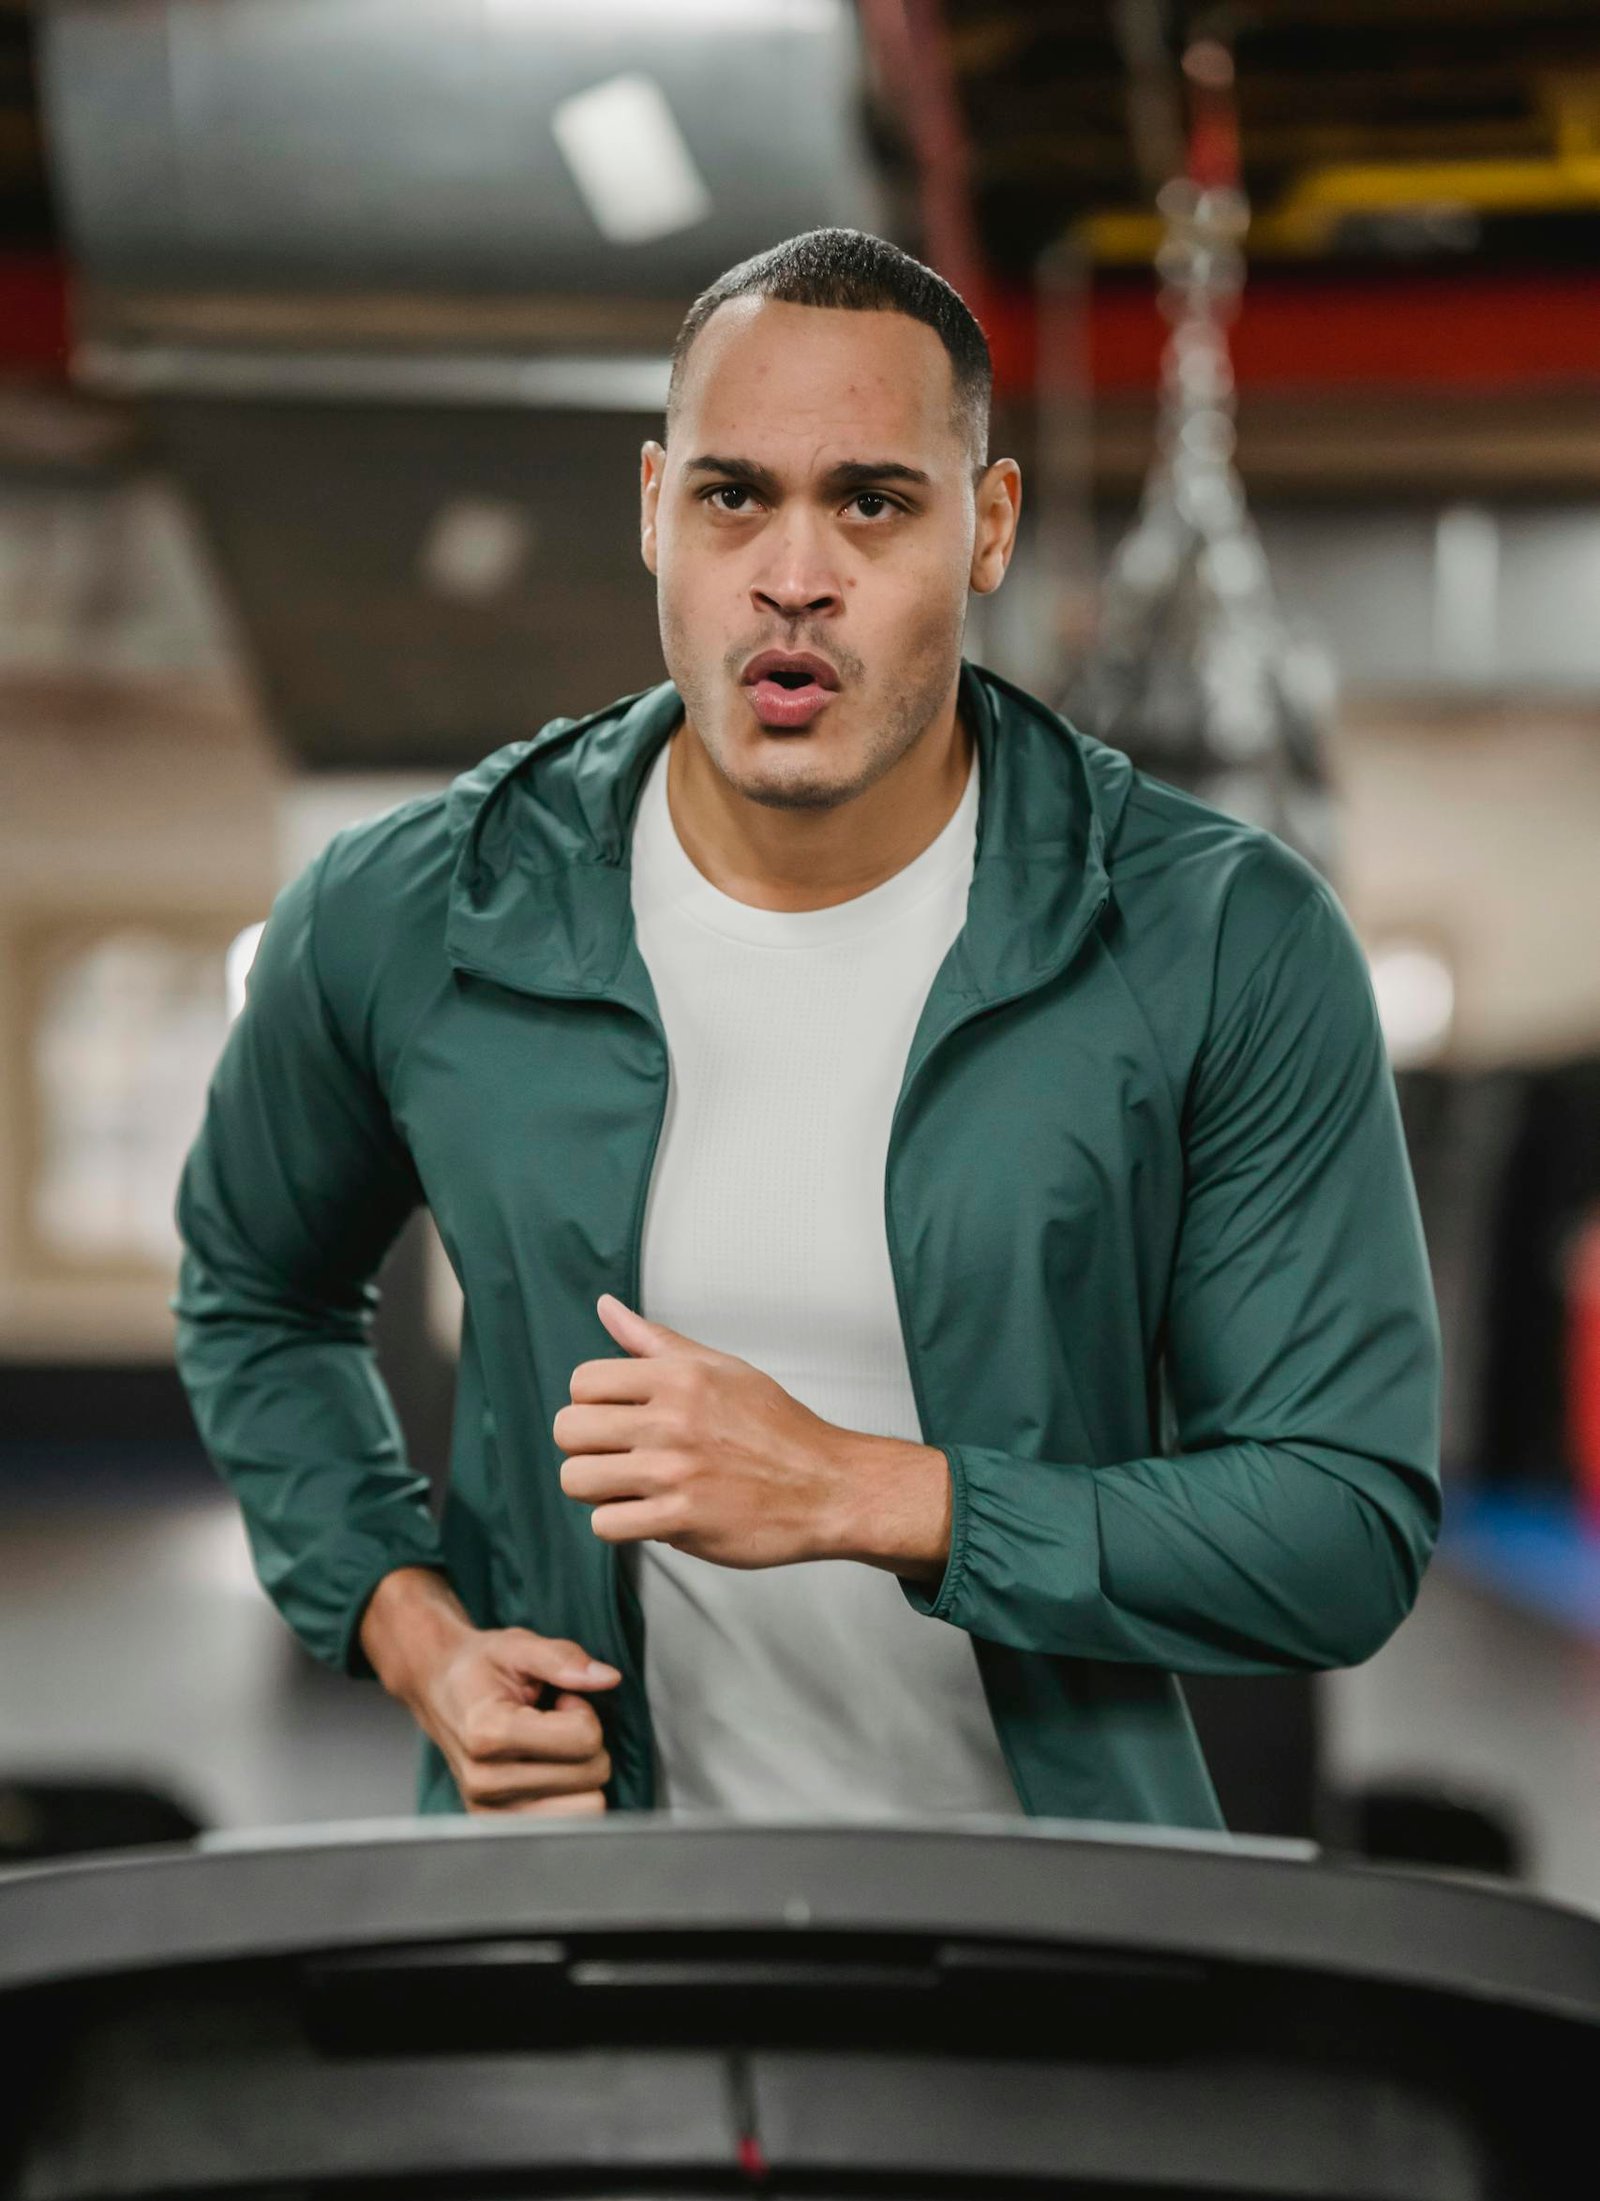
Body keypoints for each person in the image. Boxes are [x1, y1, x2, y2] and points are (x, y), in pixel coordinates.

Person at [172, 227, 1442, 1827]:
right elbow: (253, 1291)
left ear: (986, 529)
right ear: (653, 512)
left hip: (1053, 1932)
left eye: (872, 500)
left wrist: (865, 1493)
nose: (792, 573)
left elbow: (1341, 1529)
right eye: (731, 496)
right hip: (578, 1906)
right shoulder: (413, 912)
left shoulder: (1220, 940)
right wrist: (409, 1628)